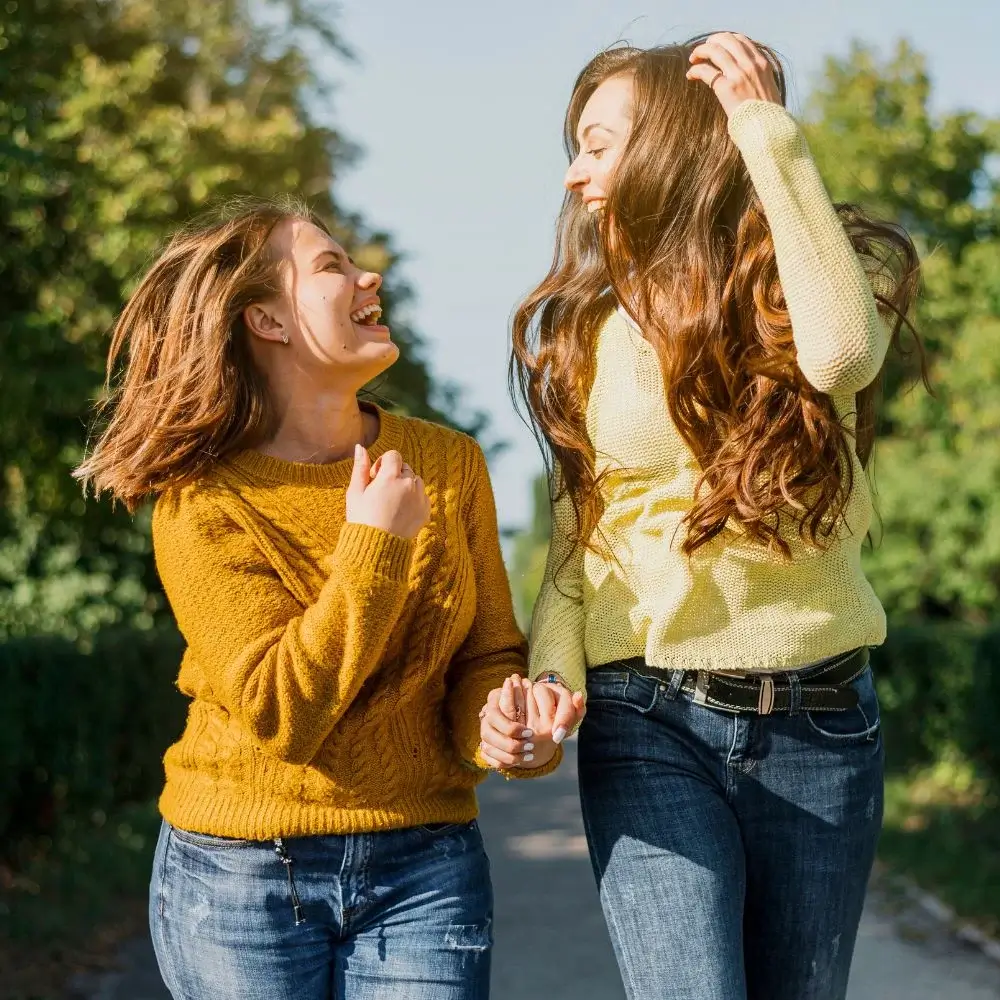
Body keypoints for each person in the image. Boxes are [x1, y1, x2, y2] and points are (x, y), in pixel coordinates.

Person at [502, 32, 922, 1000]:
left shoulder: (803, 290)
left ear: (675, 144)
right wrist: (550, 689)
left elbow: (842, 360)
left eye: (598, 143)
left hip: (824, 727)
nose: (575, 174)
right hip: (650, 717)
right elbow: (578, 543)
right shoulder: (584, 332)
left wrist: (765, 132)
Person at [75, 197, 573, 1000]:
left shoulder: (447, 463)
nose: (368, 274)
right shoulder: (203, 500)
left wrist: (507, 731)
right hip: (243, 875)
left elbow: (486, 654)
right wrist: (373, 545)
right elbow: (285, 712)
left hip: (427, 865)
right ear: (267, 320)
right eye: (333, 266)